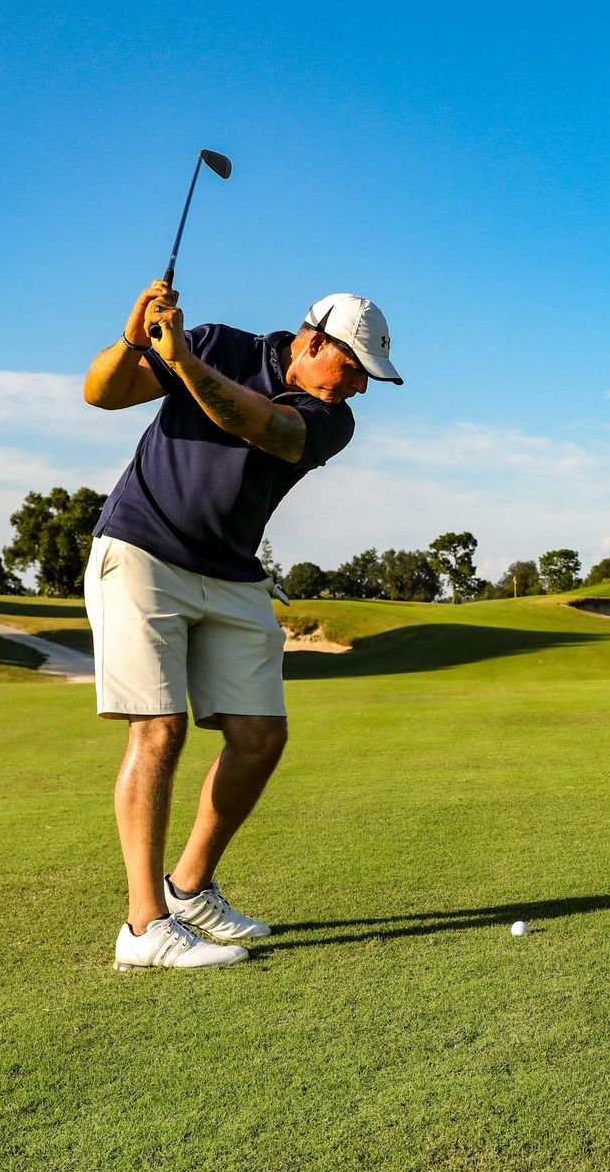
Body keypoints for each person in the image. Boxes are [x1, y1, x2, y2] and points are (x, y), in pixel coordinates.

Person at [81, 280, 400, 970]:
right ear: (313, 342)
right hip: (142, 548)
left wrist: (184, 363)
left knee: (260, 736)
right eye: (353, 370)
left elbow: (262, 427)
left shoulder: (328, 420)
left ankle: (190, 889)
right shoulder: (221, 342)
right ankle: (144, 929)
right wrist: (136, 337)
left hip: (229, 569)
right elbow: (102, 393)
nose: (360, 390)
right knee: (158, 729)